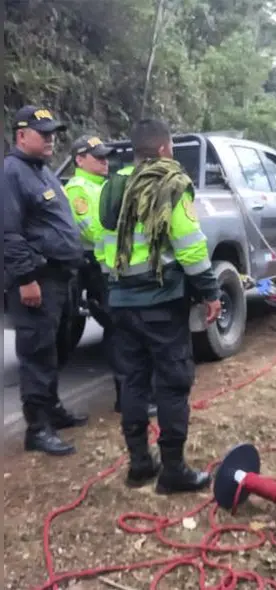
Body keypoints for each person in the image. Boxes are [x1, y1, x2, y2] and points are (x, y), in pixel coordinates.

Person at [100, 119, 222, 493]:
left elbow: (102, 245)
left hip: (120, 300)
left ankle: (139, 465)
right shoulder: (170, 184)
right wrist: (210, 290)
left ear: (135, 151)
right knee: (172, 383)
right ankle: (173, 471)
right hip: (161, 301)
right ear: (166, 149)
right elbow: (189, 245)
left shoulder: (112, 186)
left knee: (133, 382)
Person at [4, 105, 89, 456]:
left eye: (54, 132)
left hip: (60, 278)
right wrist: (26, 279)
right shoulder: (11, 173)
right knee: (37, 352)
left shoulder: (42, 171)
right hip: (36, 278)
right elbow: (8, 233)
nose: (52, 138)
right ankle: (37, 429)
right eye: (44, 133)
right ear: (22, 135)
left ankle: (52, 410)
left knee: (55, 346)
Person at [64, 134, 157, 419]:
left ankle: (135, 393)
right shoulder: (78, 189)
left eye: (106, 157)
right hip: (97, 266)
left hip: (114, 264)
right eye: (98, 157)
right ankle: (126, 397)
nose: (105, 162)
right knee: (119, 330)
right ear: (80, 160)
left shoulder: (105, 185)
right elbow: (92, 231)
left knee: (128, 327)